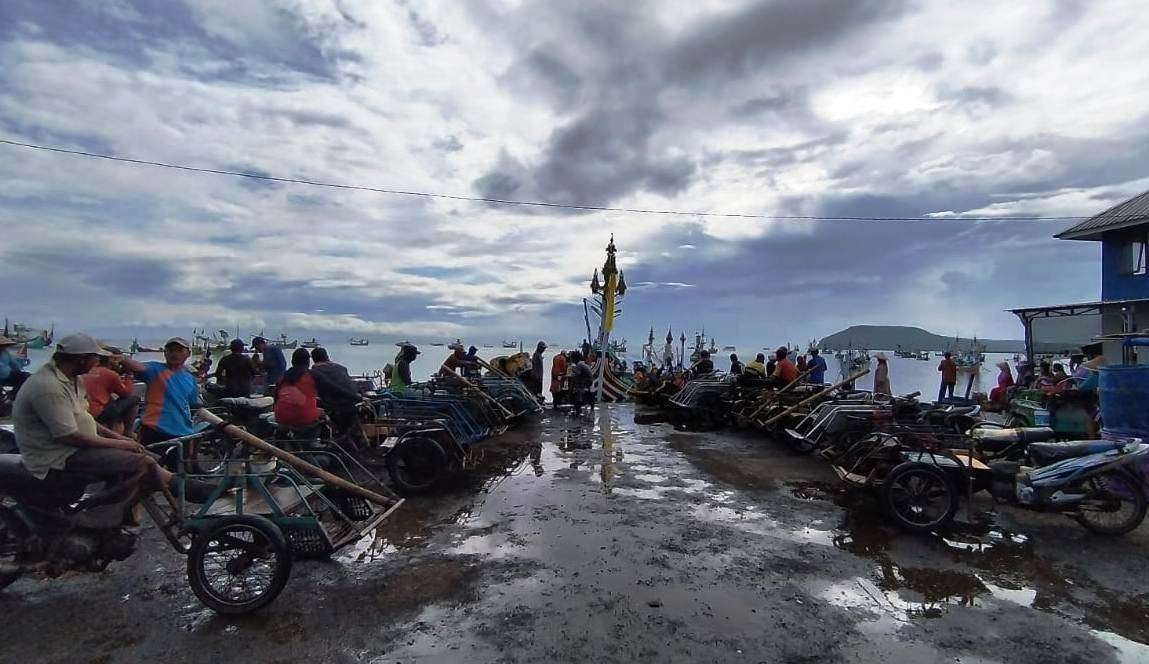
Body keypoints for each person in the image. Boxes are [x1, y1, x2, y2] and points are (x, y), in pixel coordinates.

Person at [12, 333, 212, 502]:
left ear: (187, 354)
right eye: (96, 358)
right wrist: (120, 444)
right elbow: (68, 436)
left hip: (76, 448)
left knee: (150, 460)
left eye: (180, 350)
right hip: (61, 455)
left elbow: (86, 420)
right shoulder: (49, 387)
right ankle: (191, 492)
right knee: (144, 463)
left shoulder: (75, 380)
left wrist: (120, 438)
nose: (100, 363)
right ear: (81, 359)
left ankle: (117, 514)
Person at [116, 337, 203, 448]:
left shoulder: (190, 379)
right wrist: (122, 358)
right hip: (154, 428)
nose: (174, 354)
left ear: (188, 353)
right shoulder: (155, 369)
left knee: (178, 464)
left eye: (179, 350)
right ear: (165, 353)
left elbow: (192, 405)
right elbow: (138, 366)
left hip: (183, 432)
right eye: (171, 350)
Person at [83, 346, 139, 434]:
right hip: (97, 413)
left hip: (85, 411)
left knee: (109, 399)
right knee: (135, 400)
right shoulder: (110, 374)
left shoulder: (86, 370)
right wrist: (129, 375)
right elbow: (126, 393)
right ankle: (128, 433)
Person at [310, 347, 362, 434]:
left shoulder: (316, 371)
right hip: (352, 402)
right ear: (326, 356)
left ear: (313, 359)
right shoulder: (341, 368)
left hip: (335, 404)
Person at [274, 349, 321, 428]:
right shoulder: (312, 375)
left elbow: (276, 399)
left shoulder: (282, 378)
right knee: (322, 415)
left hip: (281, 418)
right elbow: (331, 388)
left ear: (292, 361)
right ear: (308, 362)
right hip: (305, 419)